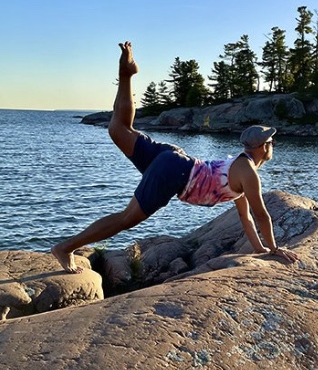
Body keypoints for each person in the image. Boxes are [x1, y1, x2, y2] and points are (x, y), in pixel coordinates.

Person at [52, 41, 298, 273]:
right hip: (176, 173)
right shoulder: (249, 173)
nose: (273, 145)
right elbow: (261, 214)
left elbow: (245, 216)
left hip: (174, 159)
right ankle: (65, 248)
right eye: (271, 142)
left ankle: (126, 74)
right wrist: (275, 249)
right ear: (263, 147)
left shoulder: (241, 167)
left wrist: (261, 250)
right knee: (126, 218)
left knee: (119, 130)